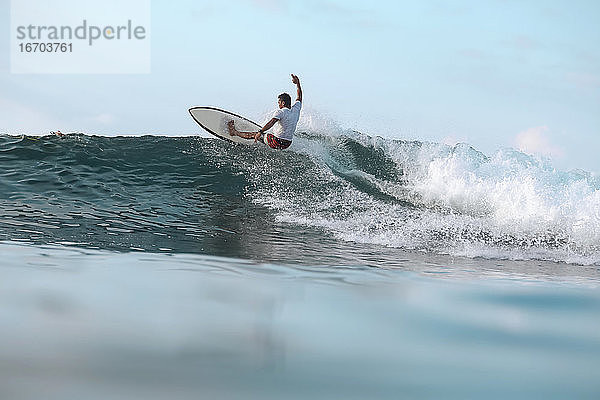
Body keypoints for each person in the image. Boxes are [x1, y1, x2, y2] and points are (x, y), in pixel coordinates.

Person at [228, 74, 302, 150]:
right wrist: (298, 83)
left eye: (279, 102)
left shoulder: (281, 112)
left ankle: (234, 132)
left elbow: (272, 122)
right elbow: (299, 97)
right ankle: (263, 140)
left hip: (277, 141)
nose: (278, 104)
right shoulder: (296, 110)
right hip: (287, 144)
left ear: (283, 103)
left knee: (256, 134)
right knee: (267, 136)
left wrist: (260, 131)